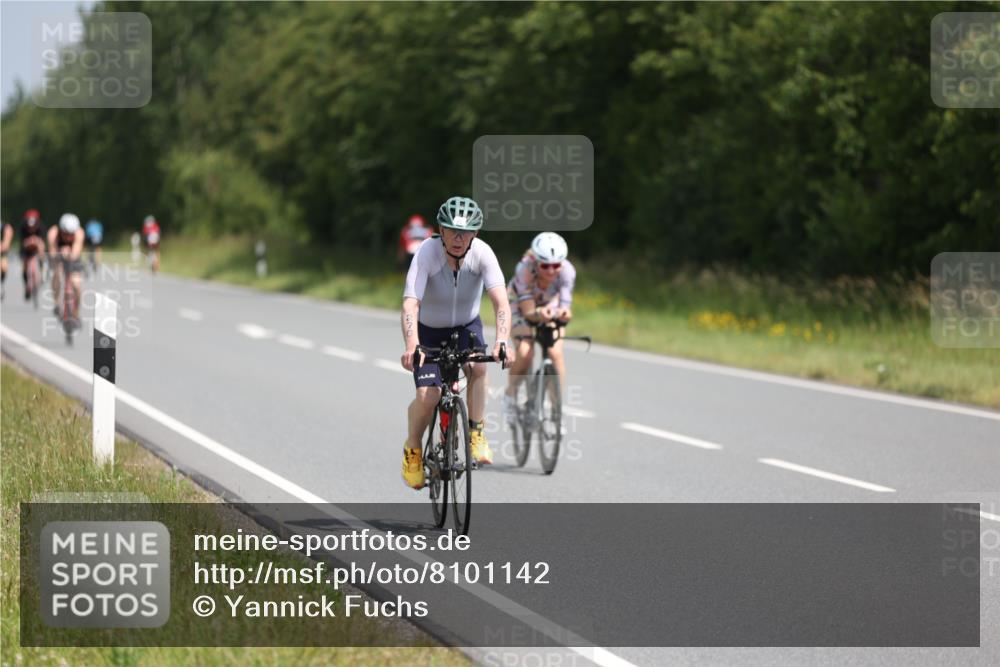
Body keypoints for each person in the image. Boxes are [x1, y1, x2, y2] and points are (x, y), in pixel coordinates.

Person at [399, 196, 514, 489]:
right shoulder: (426, 253)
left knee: (478, 368)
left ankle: (476, 432)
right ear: (441, 230)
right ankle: (413, 449)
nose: (458, 238)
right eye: (452, 231)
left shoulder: (483, 253)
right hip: (429, 331)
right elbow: (411, 304)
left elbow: (501, 302)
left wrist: (502, 340)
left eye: (465, 232)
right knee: (429, 396)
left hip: (466, 327)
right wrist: (412, 345)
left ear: (475, 233)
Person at [502, 232, 577, 424]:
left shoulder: (568, 271)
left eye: (556, 265)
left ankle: (556, 409)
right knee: (525, 352)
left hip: (549, 305)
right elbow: (528, 312)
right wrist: (538, 314)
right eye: (545, 266)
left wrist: (564, 314)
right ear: (536, 262)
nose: (551, 271)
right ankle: (510, 395)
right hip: (520, 305)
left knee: (555, 353)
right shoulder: (524, 269)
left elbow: (565, 307)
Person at [48, 213, 85, 325]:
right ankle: (56, 302)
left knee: (76, 284)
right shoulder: (53, 232)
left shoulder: (79, 232)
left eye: (70, 234)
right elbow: (52, 252)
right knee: (57, 274)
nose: (68, 237)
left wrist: (69, 254)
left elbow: (76, 252)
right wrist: (60, 253)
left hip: (73, 258)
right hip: (58, 257)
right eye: (65, 234)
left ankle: (76, 313)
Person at [18, 209, 47, 301]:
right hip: (26, 247)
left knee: (41, 246)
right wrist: (27, 243)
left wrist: (35, 241)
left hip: (37, 246)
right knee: (25, 265)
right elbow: (22, 242)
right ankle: (27, 285)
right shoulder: (23, 227)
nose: (31, 229)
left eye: (33, 227)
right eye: (29, 227)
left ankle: (42, 266)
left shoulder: (41, 227)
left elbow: (42, 242)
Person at [0, 220, 13, 299]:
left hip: (2, 251)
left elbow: (6, 244)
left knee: (3, 266)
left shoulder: (6, 228)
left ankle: (2, 284)